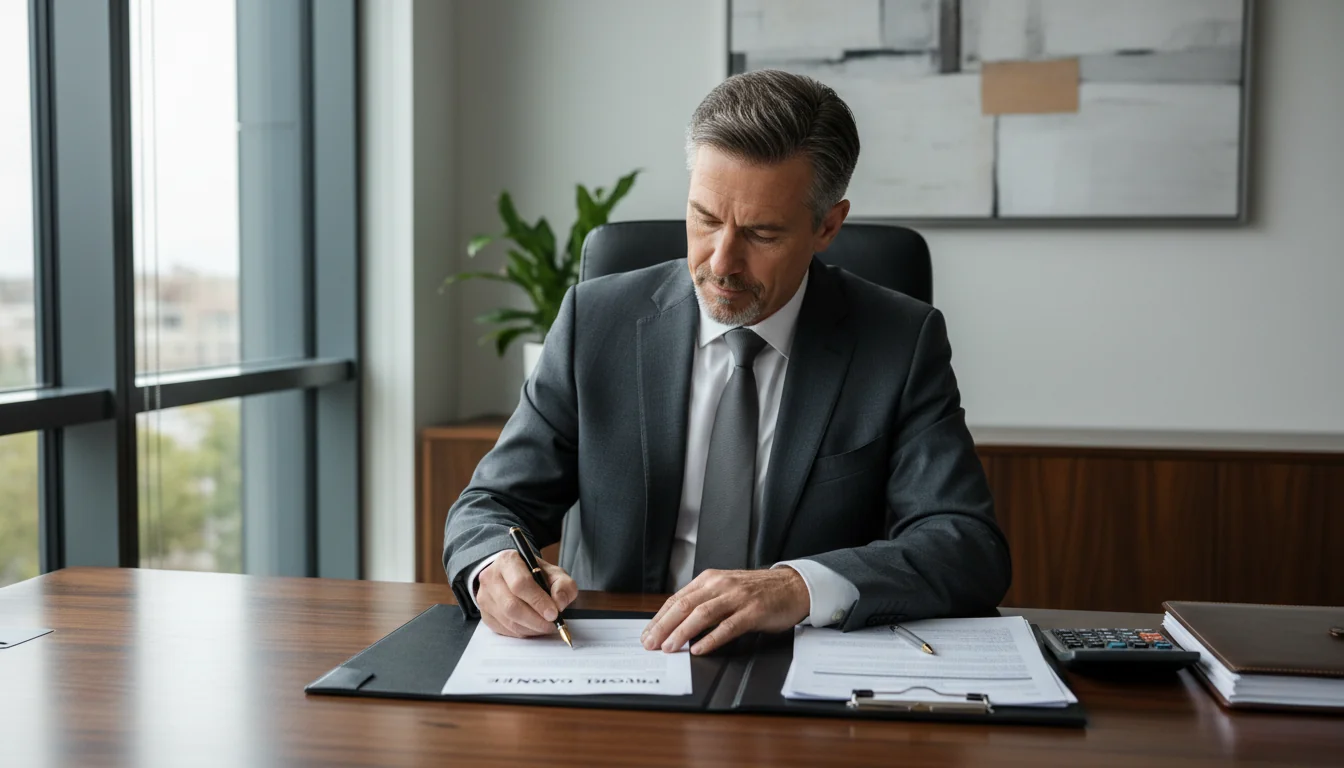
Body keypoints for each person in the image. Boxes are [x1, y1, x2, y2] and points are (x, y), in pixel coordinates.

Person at [443, 69, 1010, 656]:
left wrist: (797, 586)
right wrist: (494, 566)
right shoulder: (597, 320)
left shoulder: (899, 341)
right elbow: (491, 504)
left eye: (762, 233)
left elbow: (965, 543)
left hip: (794, 667)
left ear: (828, 226)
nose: (722, 262)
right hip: (618, 657)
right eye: (705, 219)